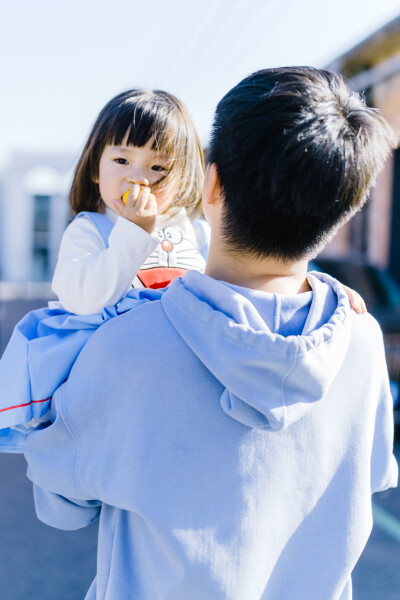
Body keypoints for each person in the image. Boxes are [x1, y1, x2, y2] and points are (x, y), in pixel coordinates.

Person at [21, 67, 400, 599]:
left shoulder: (125, 346)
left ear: (210, 184)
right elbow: (375, 471)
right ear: (340, 215)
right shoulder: (360, 342)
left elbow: (58, 501)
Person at [0, 89, 209, 450]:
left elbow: (240, 279)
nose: (138, 178)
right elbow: (84, 299)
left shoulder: (197, 232)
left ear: (185, 178)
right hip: (106, 386)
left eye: (158, 167)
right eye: (122, 160)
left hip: (178, 382)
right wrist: (133, 232)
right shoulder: (89, 229)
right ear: (96, 168)